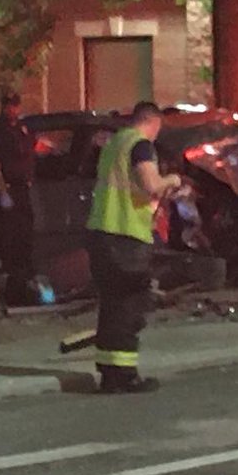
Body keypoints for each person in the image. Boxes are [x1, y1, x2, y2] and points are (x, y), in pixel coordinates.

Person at [86, 101, 182, 394]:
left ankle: (109, 373)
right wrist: (173, 180)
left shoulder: (115, 144)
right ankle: (125, 375)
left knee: (112, 304)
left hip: (100, 232)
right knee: (131, 304)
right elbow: (150, 184)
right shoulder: (140, 145)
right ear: (153, 123)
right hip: (125, 236)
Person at [0, 91, 36, 304]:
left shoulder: (21, 129)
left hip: (22, 190)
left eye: (16, 105)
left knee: (25, 234)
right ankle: (8, 285)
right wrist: (3, 193)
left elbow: (30, 151)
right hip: (7, 191)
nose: (13, 109)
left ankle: (22, 279)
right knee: (8, 238)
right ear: (3, 107)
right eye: (10, 106)